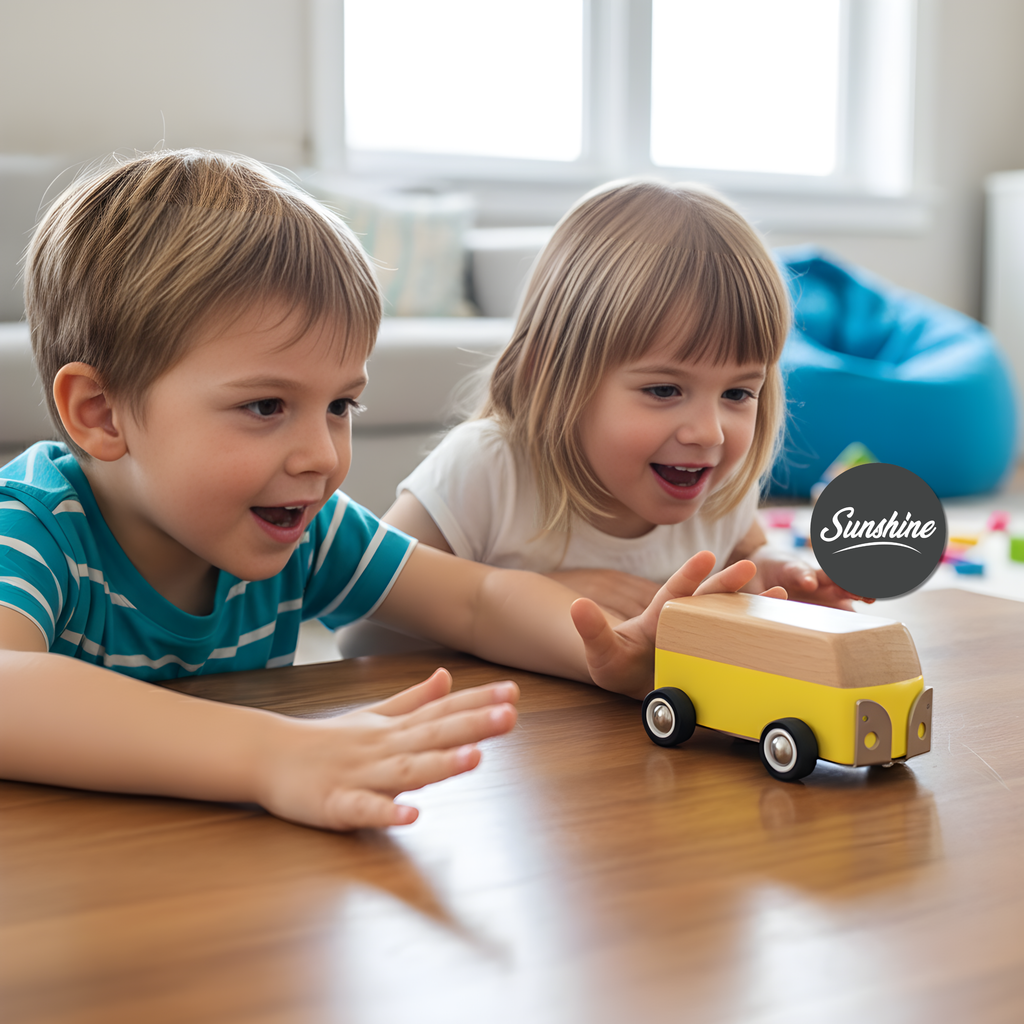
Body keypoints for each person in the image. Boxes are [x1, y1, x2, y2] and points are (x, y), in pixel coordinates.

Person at [0, 152, 779, 834]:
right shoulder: (35, 526)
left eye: (340, 406)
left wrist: (604, 654)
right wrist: (271, 754)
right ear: (100, 415)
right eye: (266, 406)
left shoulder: (310, 530)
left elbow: (478, 601)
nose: (322, 457)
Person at [384, 179, 864, 623]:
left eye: (737, 393)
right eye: (664, 390)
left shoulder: (717, 492)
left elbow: (747, 555)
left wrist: (770, 572)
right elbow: (371, 603)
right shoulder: (487, 469)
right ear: (551, 374)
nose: (709, 432)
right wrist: (534, 596)